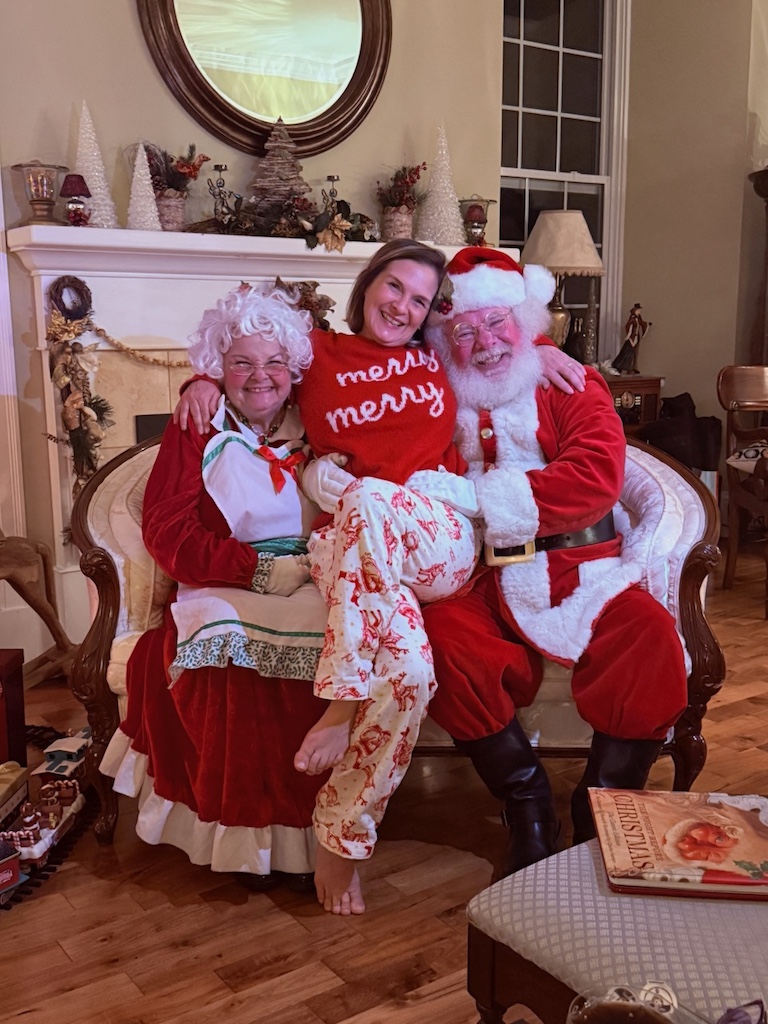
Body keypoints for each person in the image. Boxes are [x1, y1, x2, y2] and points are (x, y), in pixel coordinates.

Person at [175, 240, 587, 914]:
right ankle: (341, 836)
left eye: (421, 299)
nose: (404, 305)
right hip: (356, 550)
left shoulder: (438, 358)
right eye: (394, 287)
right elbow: (252, 354)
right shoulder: (318, 353)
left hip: (437, 535)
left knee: (366, 498)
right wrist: (200, 379)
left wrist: (543, 354)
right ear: (369, 286)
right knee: (410, 673)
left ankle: (340, 705)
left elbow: (499, 351)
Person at [411, 247, 687, 877]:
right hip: (477, 573)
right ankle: (527, 803)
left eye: (496, 323)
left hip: (581, 566)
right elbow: (342, 363)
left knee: (647, 640)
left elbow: (593, 479)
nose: (483, 343)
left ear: (526, 321)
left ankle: (603, 808)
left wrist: (475, 495)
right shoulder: (429, 392)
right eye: (464, 329)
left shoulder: (569, 382)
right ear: (443, 337)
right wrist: (209, 376)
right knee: (447, 646)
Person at [100, 282, 333, 888]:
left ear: (295, 366)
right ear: (217, 369)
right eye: (241, 363)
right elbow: (166, 530)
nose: (262, 376)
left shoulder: (322, 416)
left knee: (332, 648)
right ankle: (245, 840)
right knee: (229, 659)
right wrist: (252, 570)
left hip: (314, 570)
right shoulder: (196, 422)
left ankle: (317, 832)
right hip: (220, 575)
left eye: (275, 361)